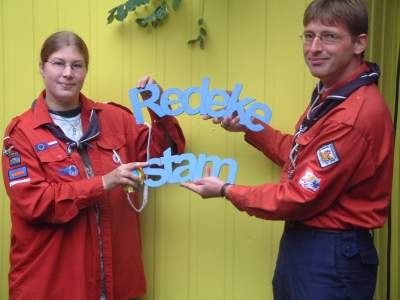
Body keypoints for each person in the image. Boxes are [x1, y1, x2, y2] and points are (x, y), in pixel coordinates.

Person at [181, 0, 394, 299]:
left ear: (360, 43)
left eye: (329, 36)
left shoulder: (352, 116)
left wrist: (227, 190)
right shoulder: (333, 93)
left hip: (329, 257)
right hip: (308, 248)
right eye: (309, 35)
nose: (314, 47)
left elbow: (300, 196)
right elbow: (301, 156)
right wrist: (250, 124)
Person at [1, 31, 185, 300]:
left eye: (77, 65)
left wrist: (157, 106)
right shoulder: (21, 133)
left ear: (86, 70)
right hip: (52, 286)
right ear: (42, 67)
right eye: (58, 63)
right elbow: (34, 203)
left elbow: (166, 156)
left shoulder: (114, 118)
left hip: (114, 284)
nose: (68, 73)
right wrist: (103, 183)